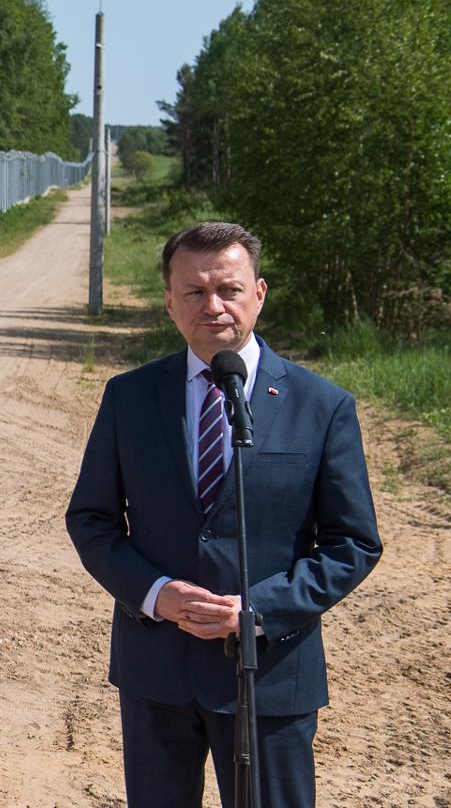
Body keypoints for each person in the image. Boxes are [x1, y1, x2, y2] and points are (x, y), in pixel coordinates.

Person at [66, 222, 382, 807]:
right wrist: (155, 593)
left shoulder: (322, 406)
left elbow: (353, 543)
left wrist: (257, 611)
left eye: (229, 290)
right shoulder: (129, 397)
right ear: (169, 301)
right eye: (194, 291)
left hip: (269, 675)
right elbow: (92, 520)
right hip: (157, 670)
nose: (212, 306)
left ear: (258, 294)